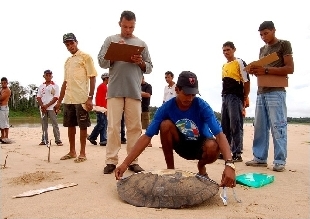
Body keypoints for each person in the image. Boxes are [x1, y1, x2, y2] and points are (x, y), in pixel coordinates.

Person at [114, 71, 236, 189]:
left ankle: (201, 166)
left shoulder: (202, 105)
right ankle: (170, 170)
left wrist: (229, 164)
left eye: (193, 94)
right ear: (177, 90)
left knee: (213, 146)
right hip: (181, 145)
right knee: (165, 125)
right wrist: (125, 164)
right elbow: (147, 137)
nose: (190, 98)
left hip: (201, 146)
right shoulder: (166, 108)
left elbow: (219, 135)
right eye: (187, 94)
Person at [98, 10, 153, 174]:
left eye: (131, 27)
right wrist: (114, 54)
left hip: (134, 90)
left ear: (134, 25)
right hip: (114, 89)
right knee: (113, 127)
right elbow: (101, 61)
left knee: (134, 127)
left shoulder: (141, 43)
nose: (128, 30)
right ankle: (111, 161)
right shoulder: (111, 40)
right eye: (125, 26)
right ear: (119, 24)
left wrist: (141, 62)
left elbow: (149, 67)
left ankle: (133, 161)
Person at [245, 21, 294, 172]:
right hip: (261, 91)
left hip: (276, 91)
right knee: (259, 127)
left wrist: (265, 70)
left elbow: (290, 68)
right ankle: (260, 158)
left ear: (273, 30)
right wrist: (256, 70)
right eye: (260, 34)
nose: (263, 37)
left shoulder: (284, 44)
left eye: (266, 33)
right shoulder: (262, 49)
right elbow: (262, 68)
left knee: (278, 125)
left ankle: (279, 160)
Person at [55, 33, 97, 163]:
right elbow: (65, 82)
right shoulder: (67, 62)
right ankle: (72, 151)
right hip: (68, 99)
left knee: (83, 126)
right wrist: (59, 101)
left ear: (76, 42)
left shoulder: (86, 57)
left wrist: (90, 97)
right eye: (67, 44)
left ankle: (82, 153)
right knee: (70, 125)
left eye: (71, 43)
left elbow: (92, 76)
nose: (69, 46)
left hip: (81, 98)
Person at [220, 41, 250, 162]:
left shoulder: (239, 62)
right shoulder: (224, 66)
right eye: (224, 50)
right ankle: (225, 152)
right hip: (225, 97)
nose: (226, 52)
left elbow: (246, 81)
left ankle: (237, 153)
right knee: (225, 126)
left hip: (235, 97)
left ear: (234, 50)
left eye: (228, 50)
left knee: (235, 125)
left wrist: (244, 97)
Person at [36, 70, 63, 146]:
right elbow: (38, 97)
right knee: (44, 125)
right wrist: (42, 105)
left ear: (52, 76)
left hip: (52, 107)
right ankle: (44, 140)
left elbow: (56, 97)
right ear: (44, 76)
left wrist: (47, 105)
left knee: (55, 124)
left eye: (49, 75)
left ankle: (58, 140)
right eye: (46, 75)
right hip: (43, 108)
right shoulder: (41, 86)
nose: (48, 76)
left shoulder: (55, 86)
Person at [87, 73, 109, 146]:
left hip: (102, 108)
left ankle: (103, 140)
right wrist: (103, 108)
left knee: (104, 123)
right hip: (101, 108)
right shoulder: (103, 87)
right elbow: (101, 99)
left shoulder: (104, 86)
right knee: (101, 123)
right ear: (106, 78)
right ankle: (92, 136)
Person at [141, 76, 152, 147]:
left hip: (145, 109)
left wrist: (137, 93)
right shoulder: (136, 85)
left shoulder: (148, 86)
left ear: (142, 78)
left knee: (147, 127)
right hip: (136, 108)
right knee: (136, 126)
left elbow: (148, 95)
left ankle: (149, 142)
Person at [0, 77, 12, 144]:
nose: (3, 84)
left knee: (5, 123)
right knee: (1, 123)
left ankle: (6, 136)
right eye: (2, 83)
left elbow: (1, 98)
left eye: (4, 83)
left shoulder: (7, 90)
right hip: (1, 107)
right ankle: (2, 136)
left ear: (7, 83)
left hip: (4, 107)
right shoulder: (1, 89)